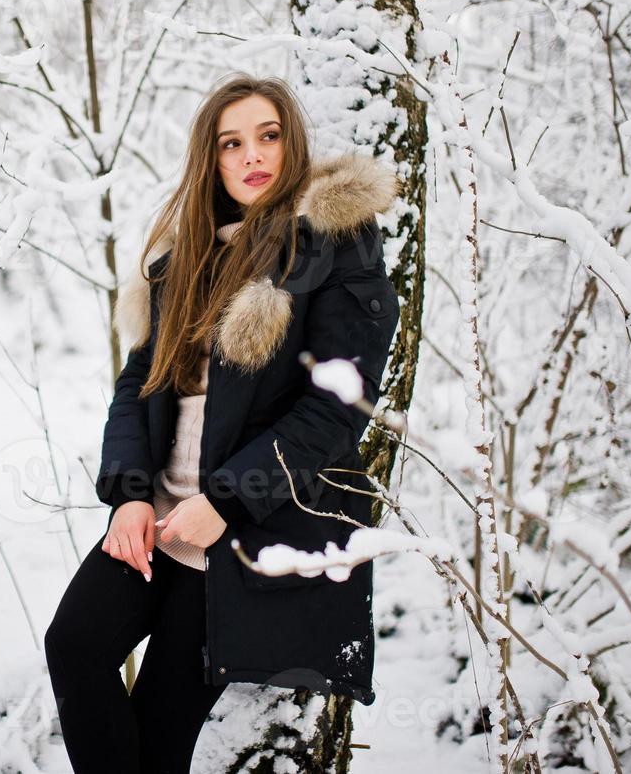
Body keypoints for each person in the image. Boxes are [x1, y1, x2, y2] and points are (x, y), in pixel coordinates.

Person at [43, 73, 403, 774]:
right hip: (158, 522)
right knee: (74, 645)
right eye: (229, 144)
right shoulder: (185, 260)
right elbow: (137, 384)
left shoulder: (333, 250)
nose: (250, 157)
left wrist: (228, 500)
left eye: (266, 136)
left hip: (242, 533)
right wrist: (128, 495)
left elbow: (336, 406)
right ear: (210, 161)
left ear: (291, 143)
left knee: (159, 731)